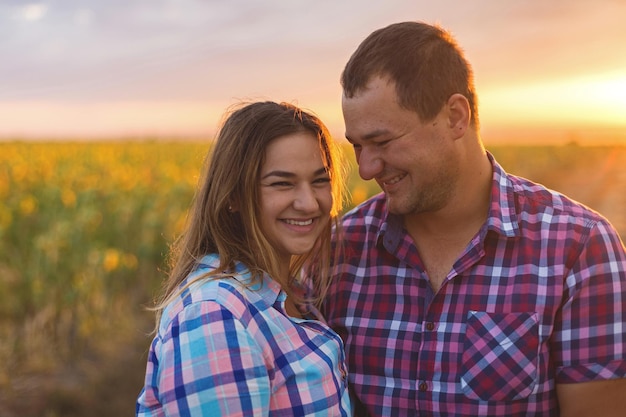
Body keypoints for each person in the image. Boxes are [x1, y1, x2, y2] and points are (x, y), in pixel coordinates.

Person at [320, 21, 626, 416]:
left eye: (381, 142)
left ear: (455, 117)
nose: (366, 168)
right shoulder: (339, 249)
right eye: (357, 146)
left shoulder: (579, 248)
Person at [136, 101, 352, 416]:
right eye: (283, 183)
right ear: (234, 196)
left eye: (319, 180)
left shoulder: (290, 294)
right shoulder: (214, 317)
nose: (309, 203)